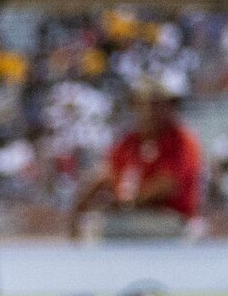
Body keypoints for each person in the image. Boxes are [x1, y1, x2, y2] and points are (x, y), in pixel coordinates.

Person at [72, 80, 204, 236]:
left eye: (158, 105)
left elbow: (167, 186)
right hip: (132, 217)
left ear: (170, 107)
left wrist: (127, 202)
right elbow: (107, 174)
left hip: (171, 219)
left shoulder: (181, 141)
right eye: (144, 105)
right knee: (92, 223)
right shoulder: (129, 141)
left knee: (99, 229)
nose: (151, 111)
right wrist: (80, 206)